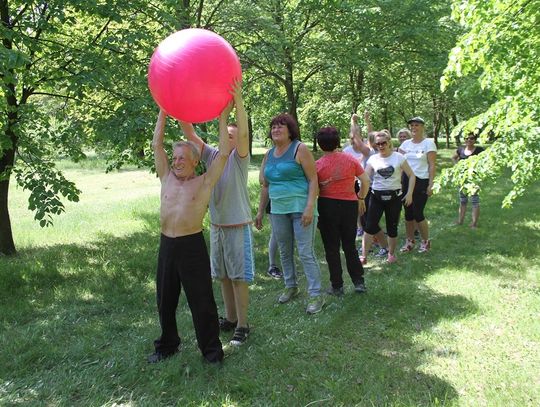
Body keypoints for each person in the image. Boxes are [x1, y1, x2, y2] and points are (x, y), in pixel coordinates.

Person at [148, 104, 232, 365]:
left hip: (191, 246)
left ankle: (211, 352)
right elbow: (156, 145)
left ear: (196, 161)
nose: (177, 162)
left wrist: (222, 117)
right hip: (167, 245)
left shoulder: (204, 182)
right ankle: (167, 345)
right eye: (175, 158)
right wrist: (163, 109)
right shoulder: (166, 177)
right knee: (165, 299)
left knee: (202, 301)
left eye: (183, 158)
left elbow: (224, 154)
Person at [179, 81, 254, 346]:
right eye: (225, 134)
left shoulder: (239, 158)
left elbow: (243, 134)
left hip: (237, 225)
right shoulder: (212, 156)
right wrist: (178, 102)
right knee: (222, 275)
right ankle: (231, 318)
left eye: (230, 135)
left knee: (238, 277)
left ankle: (244, 325)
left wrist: (236, 105)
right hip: (217, 226)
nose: (227, 137)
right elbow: (188, 130)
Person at [255, 113, 324, 314]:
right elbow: (266, 186)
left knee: (305, 253)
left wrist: (310, 207)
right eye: (273, 127)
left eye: (280, 126)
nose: (276, 129)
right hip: (277, 210)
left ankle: (315, 295)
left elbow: (313, 180)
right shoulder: (269, 154)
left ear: (290, 130)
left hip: (301, 208)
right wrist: (260, 211)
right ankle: (291, 286)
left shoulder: (299, 148)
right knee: (284, 251)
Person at [315, 126, 370, 295]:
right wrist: (360, 197)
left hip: (327, 206)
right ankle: (358, 282)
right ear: (338, 142)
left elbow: (313, 189)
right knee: (349, 245)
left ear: (319, 144)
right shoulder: (350, 160)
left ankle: (337, 286)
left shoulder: (317, 165)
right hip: (349, 206)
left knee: (331, 248)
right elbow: (365, 180)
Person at [363, 130, 415, 263]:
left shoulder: (398, 157)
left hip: (394, 197)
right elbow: (365, 176)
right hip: (376, 197)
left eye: (383, 143)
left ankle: (391, 254)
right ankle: (364, 256)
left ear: (389, 142)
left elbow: (412, 175)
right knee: (369, 226)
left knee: (392, 227)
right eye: (378, 144)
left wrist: (409, 193)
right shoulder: (373, 159)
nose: (380, 146)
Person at [399, 116, 437, 253]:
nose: (414, 128)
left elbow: (432, 165)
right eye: (412, 125)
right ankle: (410, 241)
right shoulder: (405, 145)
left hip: (421, 180)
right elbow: (399, 165)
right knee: (408, 213)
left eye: (417, 125)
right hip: (406, 181)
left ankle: (425, 241)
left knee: (418, 212)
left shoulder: (428, 143)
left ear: (422, 127)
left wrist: (431, 184)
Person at [452, 132, 485, 228]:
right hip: (462, 179)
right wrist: (456, 167)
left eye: (471, 138)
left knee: (475, 200)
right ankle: (460, 221)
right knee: (463, 200)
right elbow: (453, 158)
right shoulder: (461, 149)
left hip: (474, 178)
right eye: (467, 138)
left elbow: (485, 160)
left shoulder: (479, 150)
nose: (469, 140)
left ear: (475, 140)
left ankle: (474, 223)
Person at [266, 201, 283, 279]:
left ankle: (290, 268)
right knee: (275, 233)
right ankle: (272, 266)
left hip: (289, 202)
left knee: (290, 234)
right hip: (273, 202)